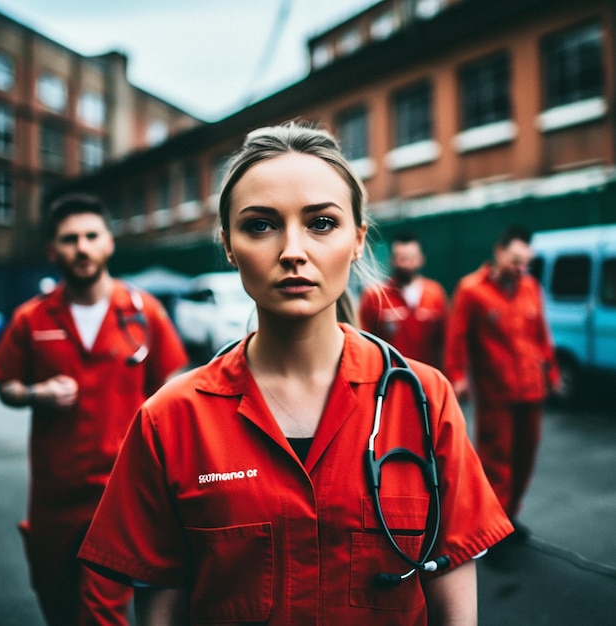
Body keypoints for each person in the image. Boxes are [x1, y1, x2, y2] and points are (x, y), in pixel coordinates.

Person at [78, 122, 512, 625]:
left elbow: (451, 579)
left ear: (357, 239)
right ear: (228, 245)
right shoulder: (170, 420)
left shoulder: (424, 399)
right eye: (260, 225)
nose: (292, 251)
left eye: (322, 223)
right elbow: (162, 603)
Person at [0, 194, 188, 626]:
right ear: (52, 250)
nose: (82, 247)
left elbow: (172, 392)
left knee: (103, 614)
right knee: (57, 606)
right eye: (69, 238)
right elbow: (5, 386)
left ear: (109, 243)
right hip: (52, 499)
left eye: (91, 236)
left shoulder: (144, 313)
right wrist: (35, 393)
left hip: (118, 496)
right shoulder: (32, 319)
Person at [444, 225, 560, 538]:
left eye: (526, 262)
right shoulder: (471, 289)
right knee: (496, 461)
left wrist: (551, 372)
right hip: (495, 393)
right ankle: (492, 530)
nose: (520, 268)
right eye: (515, 260)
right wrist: (456, 376)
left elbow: (541, 335)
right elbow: (457, 338)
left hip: (531, 389)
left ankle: (510, 516)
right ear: (499, 252)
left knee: (525, 456)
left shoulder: (530, 287)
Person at [359, 234, 448, 368]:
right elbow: (365, 342)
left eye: (411, 258)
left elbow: (447, 341)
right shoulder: (376, 296)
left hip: (428, 376)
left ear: (421, 259)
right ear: (392, 260)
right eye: (401, 259)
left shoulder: (435, 294)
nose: (406, 264)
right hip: (390, 377)